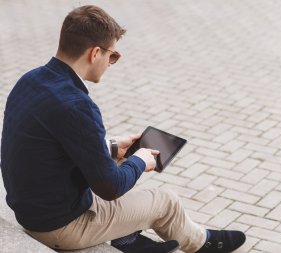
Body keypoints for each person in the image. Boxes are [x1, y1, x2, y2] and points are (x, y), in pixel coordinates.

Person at [0, 5, 246, 253]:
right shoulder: (78, 106)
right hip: (60, 226)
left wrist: (113, 147)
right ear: (95, 53)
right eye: (113, 56)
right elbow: (111, 188)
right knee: (165, 201)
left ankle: (129, 239)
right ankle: (204, 243)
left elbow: (51, 145)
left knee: (116, 166)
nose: (111, 63)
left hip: (32, 208)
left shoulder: (29, 80)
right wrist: (140, 160)